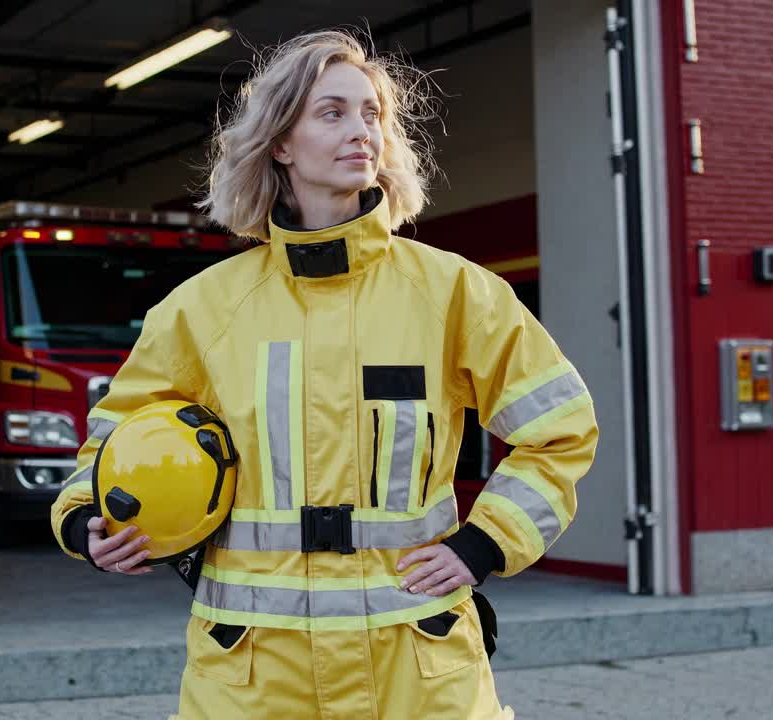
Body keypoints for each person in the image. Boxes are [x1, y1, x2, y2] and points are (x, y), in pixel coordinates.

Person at [51, 29, 598, 719]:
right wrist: (84, 522)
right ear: (281, 142)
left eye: (372, 114)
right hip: (252, 673)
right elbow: (112, 438)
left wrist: (485, 542)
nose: (361, 130)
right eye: (332, 112)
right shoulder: (202, 310)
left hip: (416, 665)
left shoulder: (455, 293)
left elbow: (561, 431)